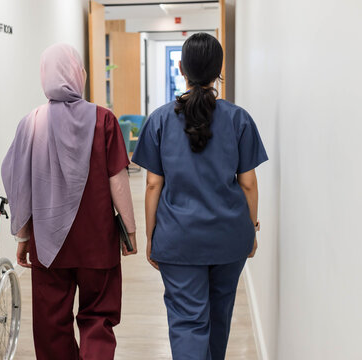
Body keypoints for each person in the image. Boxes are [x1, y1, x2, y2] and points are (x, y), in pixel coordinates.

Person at [132, 33, 268, 360]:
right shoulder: (239, 119)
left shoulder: (161, 119)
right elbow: (248, 183)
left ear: (181, 68)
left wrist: (153, 236)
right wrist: (250, 229)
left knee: (188, 321)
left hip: (178, 240)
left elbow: (153, 186)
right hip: (229, 238)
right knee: (219, 316)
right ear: (219, 70)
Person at [1, 43, 137, 360]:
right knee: (98, 319)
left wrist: (23, 237)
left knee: (51, 327)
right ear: (79, 75)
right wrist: (129, 231)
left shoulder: (30, 123)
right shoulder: (104, 120)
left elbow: (18, 185)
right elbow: (118, 179)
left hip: (48, 246)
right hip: (98, 243)